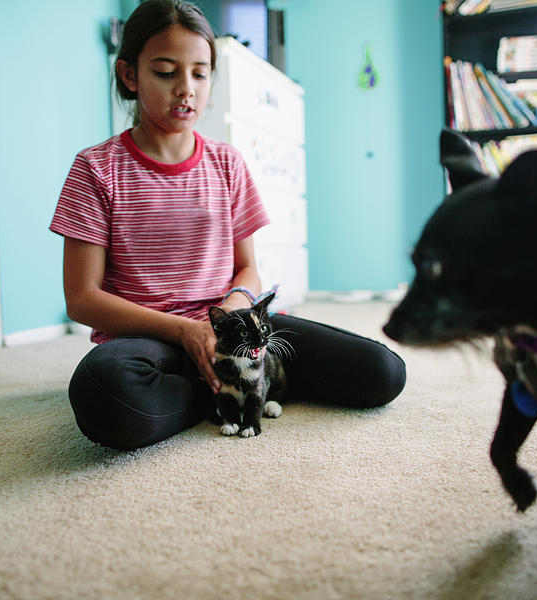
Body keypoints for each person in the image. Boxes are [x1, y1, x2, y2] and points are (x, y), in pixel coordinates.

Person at [50, 0, 406, 450]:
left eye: (200, 74)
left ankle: (236, 387)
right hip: (149, 342)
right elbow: (82, 299)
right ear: (129, 75)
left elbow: (248, 270)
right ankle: (235, 392)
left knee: (382, 373)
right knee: (105, 393)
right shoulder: (95, 168)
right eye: (165, 72)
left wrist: (229, 320)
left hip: (233, 332)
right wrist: (185, 331)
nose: (186, 89)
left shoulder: (227, 163)